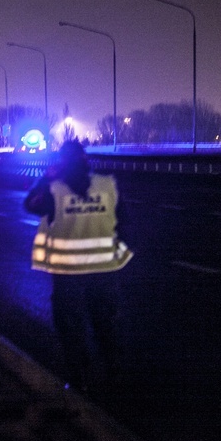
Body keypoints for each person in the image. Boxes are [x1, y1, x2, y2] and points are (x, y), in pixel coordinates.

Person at [24, 140, 133, 392]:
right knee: (107, 325)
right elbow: (125, 223)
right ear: (86, 159)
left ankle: (79, 381)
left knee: (72, 329)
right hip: (105, 271)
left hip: (69, 274)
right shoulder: (107, 185)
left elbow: (30, 204)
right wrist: (120, 255)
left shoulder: (54, 189)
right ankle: (114, 376)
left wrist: (45, 178)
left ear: (62, 162)